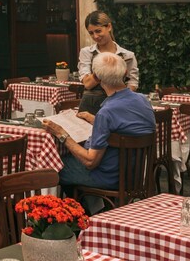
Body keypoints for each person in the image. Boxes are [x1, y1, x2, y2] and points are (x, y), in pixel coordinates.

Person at [44, 52, 154, 213]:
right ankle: (92, 209)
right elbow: (125, 125)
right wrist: (95, 120)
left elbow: (90, 161)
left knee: (53, 167)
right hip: (135, 174)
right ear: (125, 72)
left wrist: (61, 133)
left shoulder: (107, 112)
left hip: (109, 176)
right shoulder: (142, 100)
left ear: (97, 77)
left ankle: (82, 215)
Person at [77, 11, 139, 115]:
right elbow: (87, 84)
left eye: (98, 31)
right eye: (91, 33)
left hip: (119, 105)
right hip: (90, 106)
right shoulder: (87, 52)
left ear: (109, 27)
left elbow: (132, 84)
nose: (95, 36)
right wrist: (107, 69)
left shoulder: (127, 55)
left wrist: (123, 102)